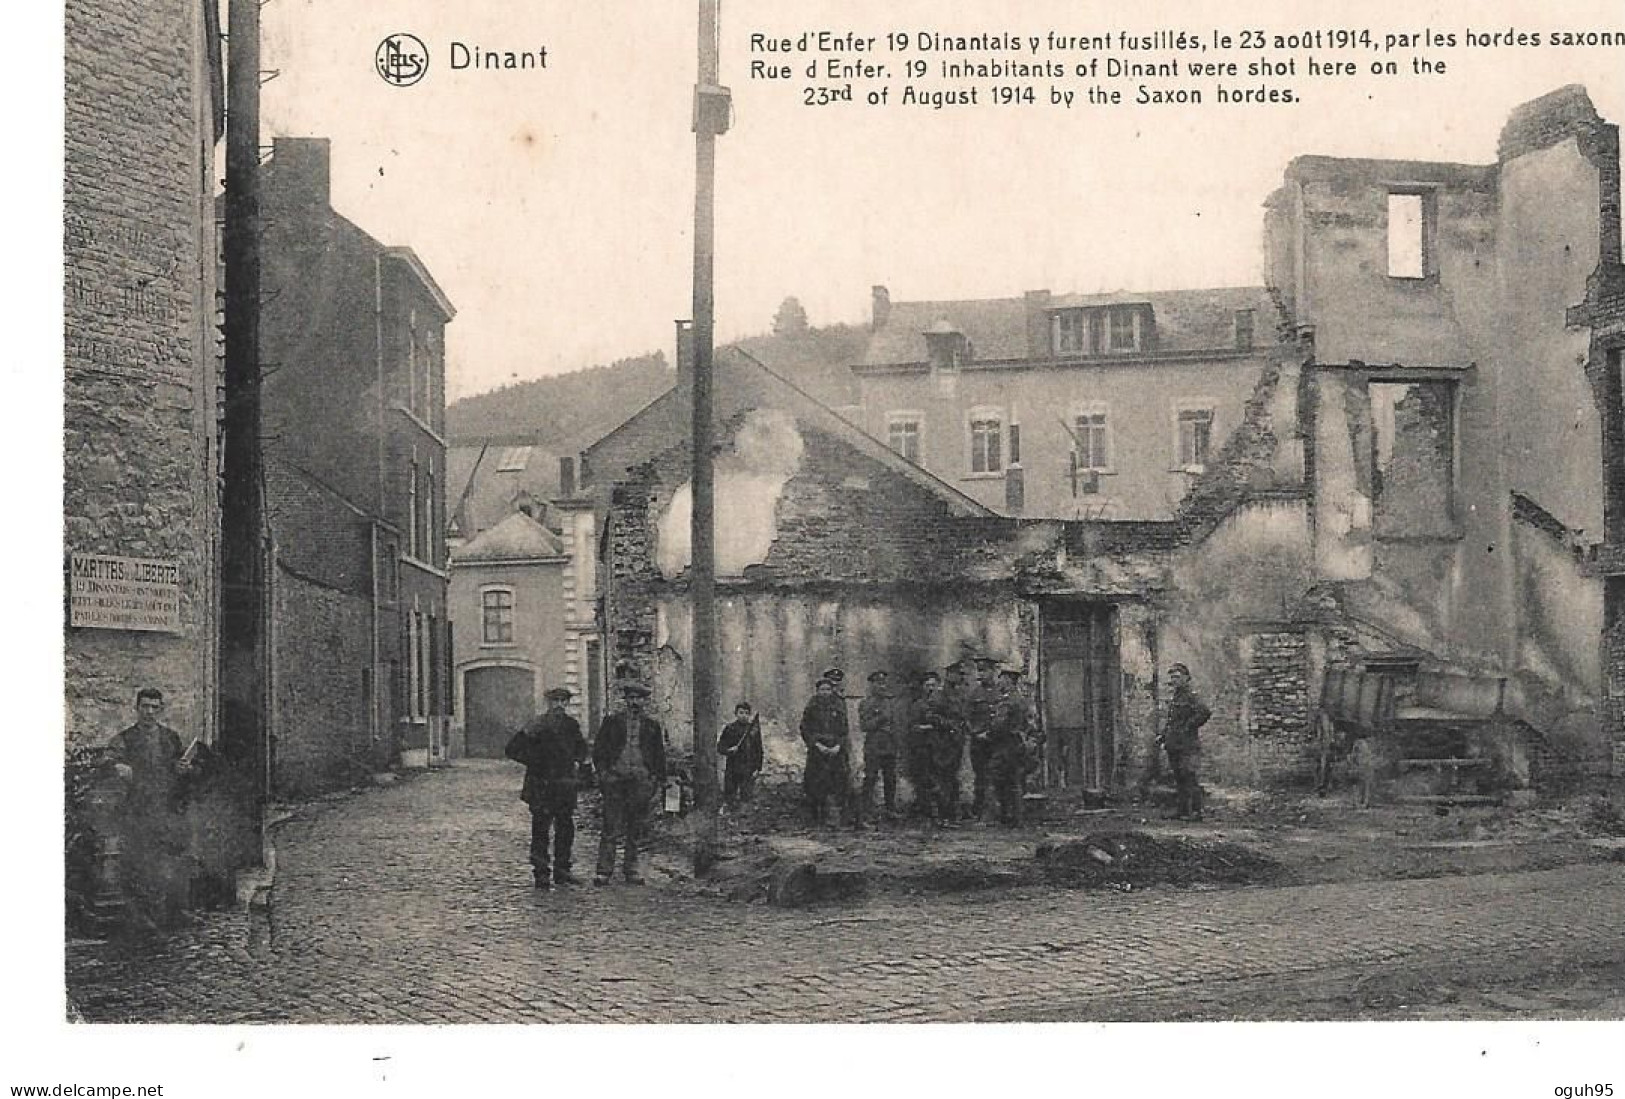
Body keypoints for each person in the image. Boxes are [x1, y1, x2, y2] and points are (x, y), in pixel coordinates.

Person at [107, 687, 193, 929]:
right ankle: (142, 918)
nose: (149, 712)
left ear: (161, 709)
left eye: (155, 707)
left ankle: (177, 912)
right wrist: (117, 766)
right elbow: (108, 760)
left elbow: (180, 767)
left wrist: (184, 769)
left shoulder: (170, 738)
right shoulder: (125, 739)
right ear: (136, 709)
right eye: (145, 706)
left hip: (167, 807)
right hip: (139, 810)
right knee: (141, 863)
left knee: (174, 859)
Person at [505, 686, 591, 889]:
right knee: (541, 830)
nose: (559, 706)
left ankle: (562, 870)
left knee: (565, 829)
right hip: (541, 785)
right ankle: (541, 872)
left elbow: (581, 751)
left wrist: (584, 770)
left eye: (563, 702)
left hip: (564, 785)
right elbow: (512, 750)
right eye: (555, 702)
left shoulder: (572, 725)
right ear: (548, 704)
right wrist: (536, 762)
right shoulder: (537, 725)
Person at [591, 682, 668, 885]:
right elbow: (599, 751)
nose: (634, 702)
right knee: (610, 826)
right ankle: (604, 871)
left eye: (638, 699)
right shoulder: (612, 722)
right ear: (625, 700)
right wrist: (604, 774)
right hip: (615, 780)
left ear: (644, 701)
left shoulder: (652, 726)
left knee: (636, 827)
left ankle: (631, 870)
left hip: (640, 782)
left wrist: (656, 780)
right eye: (631, 698)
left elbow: (659, 755)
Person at [1162, 663, 1212, 821]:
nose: (1174, 680)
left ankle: (1196, 812)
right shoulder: (1177, 696)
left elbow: (1204, 712)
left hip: (1188, 744)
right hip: (1174, 743)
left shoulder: (1191, 695)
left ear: (1186, 678)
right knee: (1179, 778)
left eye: (1177, 677)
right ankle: (1182, 811)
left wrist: (1188, 726)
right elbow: (1172, 721)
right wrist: (1164, 735)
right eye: (1172, 677)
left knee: (1189, 776)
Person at [799, 674, 851, 826]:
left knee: (837, 782)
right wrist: (816, 745)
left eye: (828, 689)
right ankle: (815, 816)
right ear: (817, 691)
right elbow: (805, 728)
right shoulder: (812, 707)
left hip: (835, 750)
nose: (825, 692)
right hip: (817, 750)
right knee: (815, 782)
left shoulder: (838, 707)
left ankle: (836, 816)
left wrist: (838, 746)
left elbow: (844, 730)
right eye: (822, 689)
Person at [987, 669, 1032, 825]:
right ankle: (1016, 817)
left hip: (1005, 744)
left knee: (1000, 778)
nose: (999, 682)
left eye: (1002, 679)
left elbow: (999, 725)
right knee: (1014, 780)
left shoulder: (1008, 701)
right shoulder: (1020, 699)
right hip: (1016, 743)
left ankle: (1006, 816)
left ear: (1008, 681)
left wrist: (988, 733)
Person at [857, 670, 900, 822]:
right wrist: (881, 719)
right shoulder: (866, 703)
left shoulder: (890, 702)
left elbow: (896, 724)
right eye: (878, 683)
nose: (882, 686)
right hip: (874, 746)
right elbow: (864, 726)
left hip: (889, 746)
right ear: (872, 685)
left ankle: (890, 809)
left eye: (883, 683)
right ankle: (866, 811)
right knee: (871, 778)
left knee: (890, 778)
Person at [966, 656, 1000, 820]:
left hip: (996, 741)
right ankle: (979, 809)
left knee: (997, 775)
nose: (982, 674)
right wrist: (976, 733)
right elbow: (967, 718)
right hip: (979, 742)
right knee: (980, 776)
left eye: (985, 670)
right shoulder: (974, 694)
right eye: (979, 670)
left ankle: (996, 810)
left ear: (993, 672)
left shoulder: (1000, 692)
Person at [717, 701, 763, 808]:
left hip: (748, 767)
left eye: (747, 713)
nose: (744, 716)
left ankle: (745, 818)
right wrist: (729, 750)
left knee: (746, 797)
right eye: (741, 713)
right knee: (730, 795)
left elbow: (759, 750)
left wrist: (758, 767)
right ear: (736, 714)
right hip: (732, 767)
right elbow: (720, 747)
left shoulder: (752, 730)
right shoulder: (730, 729)